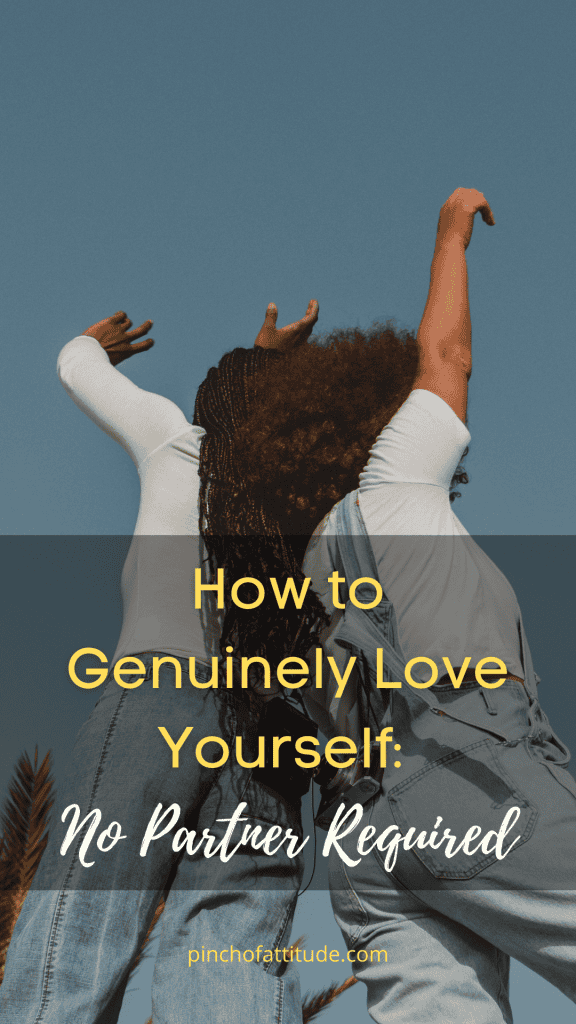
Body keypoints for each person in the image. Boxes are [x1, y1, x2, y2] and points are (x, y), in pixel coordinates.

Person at [226, 188, 576, 1022]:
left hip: (362, 841)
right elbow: (445, 356)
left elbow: (227, 464)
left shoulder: (290, 569)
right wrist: (450, 235)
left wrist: (261, 369)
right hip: (468, 778)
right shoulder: (394, 486)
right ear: (377, 421)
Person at [0, 301, 319, 1024]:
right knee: (228, 977)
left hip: (159, 697)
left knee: (73, 946)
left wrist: (89, 341)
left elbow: (78, 370)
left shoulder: (183, 444)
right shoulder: (307, 507)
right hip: (272, 734)